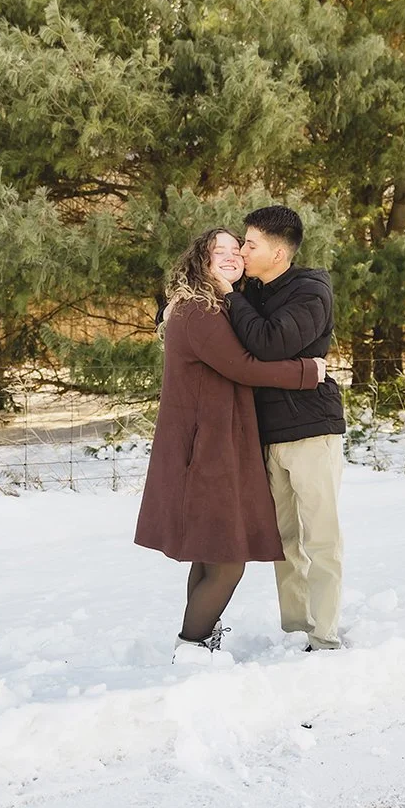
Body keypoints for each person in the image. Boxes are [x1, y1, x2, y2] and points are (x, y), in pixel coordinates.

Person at [134, 228, 327, 665]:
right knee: (227, 558)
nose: (229, 256)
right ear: (199, 260)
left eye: (235, 250)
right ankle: (193, 644)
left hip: (214, 441)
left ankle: (194, 641)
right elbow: (243, 366)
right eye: (216, 250)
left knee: (207, 552)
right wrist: (308, 371)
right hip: (208, 449)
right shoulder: (199, 310)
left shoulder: (214, 306)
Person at [211, 206, 345, 652]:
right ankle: (295, 629)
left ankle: (324, 635)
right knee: (284, 539)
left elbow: (269, 345)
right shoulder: (254, 289)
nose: (243, 252)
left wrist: (231, 296)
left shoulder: (310, 291)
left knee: (321, 536)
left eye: (251, 244)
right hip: (268, 434)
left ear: (279, 252)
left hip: (311, 429)